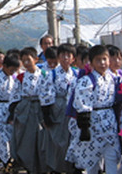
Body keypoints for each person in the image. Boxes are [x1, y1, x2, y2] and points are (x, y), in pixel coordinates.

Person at [67, 45, 120, 174]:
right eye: (98, 60)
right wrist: (85, 128)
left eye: (104, 59)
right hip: (93, 124)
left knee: (111, 157)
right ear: (91, 62)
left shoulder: (112, 78)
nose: (102, 63)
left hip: (109, 123)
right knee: (92, 162)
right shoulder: (86, 81)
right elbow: (82, 105)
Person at [8, 47, 47, 174]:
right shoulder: (20, 77)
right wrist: (12, 112)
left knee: (41, 138)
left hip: (40, 108)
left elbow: (48, 93)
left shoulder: (44, 74)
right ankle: (29, 165)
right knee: (25, 138)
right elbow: (15, 95)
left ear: (36, 59)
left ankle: (42, 167)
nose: (26, 63)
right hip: (25, 108)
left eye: (28, 60)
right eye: (23, 61)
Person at [40, 43, 77, 173]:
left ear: (73, 58)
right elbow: (45, 94)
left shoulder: (77, 74)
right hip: (57, 108)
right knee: (56, 140)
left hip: (73, 110)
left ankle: (72, 166)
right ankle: (56, 167)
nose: (65, 58)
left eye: (68, 55)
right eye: (62, 55)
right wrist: (46, 114)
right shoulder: (52, 74)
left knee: (72, 139)